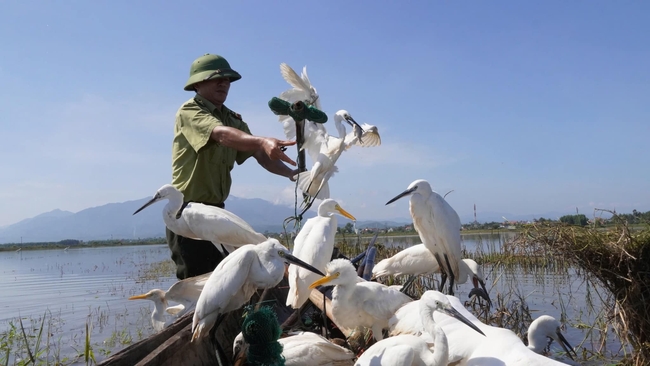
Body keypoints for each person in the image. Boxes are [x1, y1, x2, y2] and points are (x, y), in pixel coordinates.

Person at [168, 53, 298, 280]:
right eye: (216, 78)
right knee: (195, 280)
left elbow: (260, 154)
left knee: (222, 278)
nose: (224, 83)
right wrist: (261, 140)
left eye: (227, 79)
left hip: (217, 212)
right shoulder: (191, 111)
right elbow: (221, 135)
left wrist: (294, 175)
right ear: (198, 83)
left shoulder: (232, 119)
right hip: (186, 213)